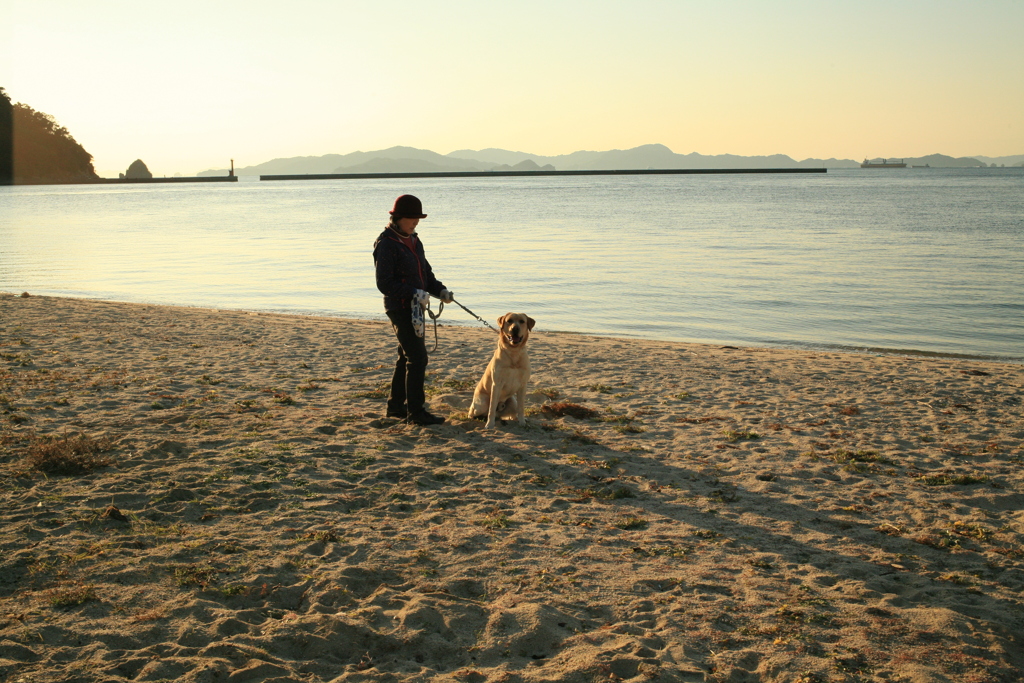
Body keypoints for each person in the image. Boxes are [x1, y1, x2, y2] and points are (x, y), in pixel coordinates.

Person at [373, 194, 453, 425]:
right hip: (399, 308)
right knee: (418, 359)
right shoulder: (386, 243)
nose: (416, 222)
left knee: (404, 358)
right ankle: (416, 412)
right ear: (398, 218)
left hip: (416, 309)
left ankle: (396, 408)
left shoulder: (415, 241)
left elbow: (426, 276)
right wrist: (413, 293)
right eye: (412, 218)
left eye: (418, 219)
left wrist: (442, 291)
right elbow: (384, 284)